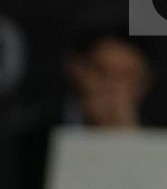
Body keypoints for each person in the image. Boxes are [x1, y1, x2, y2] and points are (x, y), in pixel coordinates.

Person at [2, 23, 155, 189]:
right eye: (101, 73)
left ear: (145, 81)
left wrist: (127, 143)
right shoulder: (25, 136)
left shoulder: (158, 146)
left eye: (126, 76)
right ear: (76, 69)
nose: (112, 87)